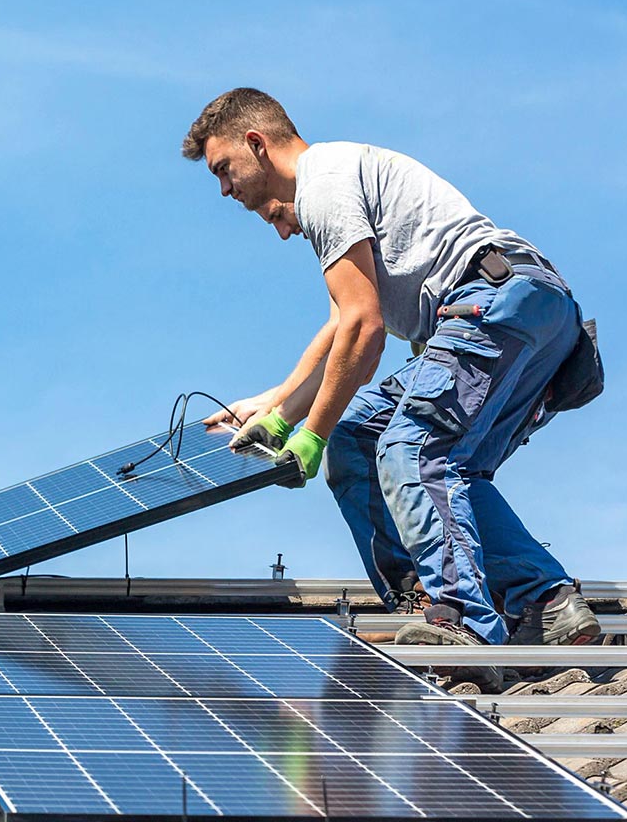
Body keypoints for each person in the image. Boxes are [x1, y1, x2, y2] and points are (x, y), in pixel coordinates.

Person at [187, 88, 600, 682]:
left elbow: (364, 329)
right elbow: (341, 328)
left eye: (223, 170)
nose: (225, 190)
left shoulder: (322, 180)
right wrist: (274, 405)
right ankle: (546, 602)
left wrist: (308, 436)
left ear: (256, 143)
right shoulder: (343, 180)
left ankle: (455, 615)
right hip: (527, 312)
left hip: (489, 305)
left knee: (411, 447)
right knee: (365, 442)